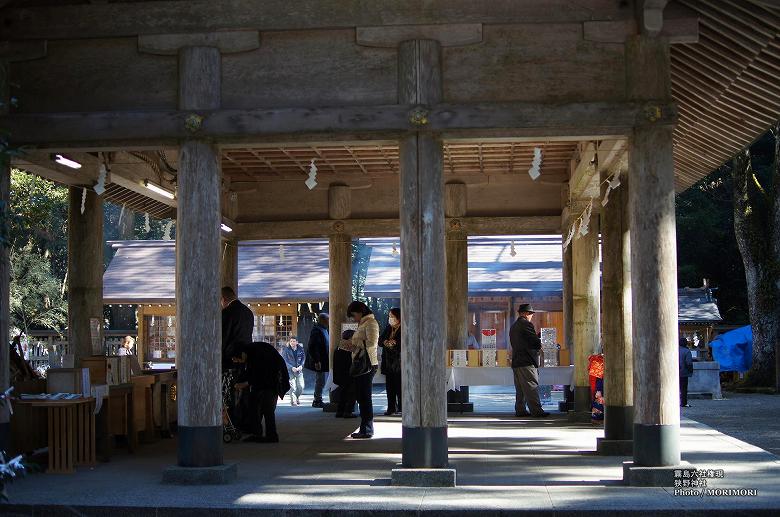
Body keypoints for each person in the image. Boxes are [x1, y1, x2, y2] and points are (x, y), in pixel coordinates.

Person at [233, 341, 290, 443]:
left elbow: (259, 373)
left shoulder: (257, 353)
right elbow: (251, 372)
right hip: (265, 382)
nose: (238, 362)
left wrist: (244, 384)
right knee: (254, 405)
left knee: (267, 409)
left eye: (238, 359)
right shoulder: (251, 352)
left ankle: (271, 436)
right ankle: (256, 433)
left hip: (271, 382)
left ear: (241, 354)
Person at [341, 301, 379, 439]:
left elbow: (372, 343)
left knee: (364, 397)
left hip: (367, 364)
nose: (353, 318)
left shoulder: (371, 323)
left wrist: (354, 342)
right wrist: (353, 347)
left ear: (360, 312)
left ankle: (367, 429)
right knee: (362, 397)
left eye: (353, 315)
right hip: (361, 362)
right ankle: (365, 428)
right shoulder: (363, 324)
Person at [509, 304, 549, 418]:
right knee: (532, 386)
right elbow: (534, 341)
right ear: (526, 313)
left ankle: (520, 409)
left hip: (516, 361)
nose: (532, 316)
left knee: (520, 388)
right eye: (531, 314)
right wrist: (539, 344)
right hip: (527, 360)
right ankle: (537, 411)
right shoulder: (526, 324)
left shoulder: (514, 326)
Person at [220, 286, 255, 372]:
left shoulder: (227, 312)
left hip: (230, 359)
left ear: (223, 299)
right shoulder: (248, 312)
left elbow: (224, 336)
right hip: (246, 356)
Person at [379, 307, 402, 415]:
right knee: (390, 386)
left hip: (400, 361)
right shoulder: (389, 327)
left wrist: (395, 343)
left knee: (400, 386)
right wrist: (386, 342)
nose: (390, 318)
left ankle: (402, 407)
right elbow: (380, 340)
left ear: (398, 317)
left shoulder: (403, 327)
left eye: (392, 316)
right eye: (389, 316)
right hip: (388, 362)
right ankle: (391, 407)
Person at [305, 313, 330, 408]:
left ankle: (318, 399)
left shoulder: (323, 329)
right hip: (319, 360)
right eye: (328, 319)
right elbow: (313, 346)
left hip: (322, 359)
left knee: (321, 380)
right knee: (320, 381)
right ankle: (317, 400)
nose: (329, 321)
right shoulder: (317, 330)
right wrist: (317, 360)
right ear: (323, 320)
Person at [333, 330, 358, 418]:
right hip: (348, 375)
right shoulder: (348, 347)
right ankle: (348, 412)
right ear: (350, 338)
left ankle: (340, 411)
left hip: (340, 375)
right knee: (351, 393)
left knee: (343, 394)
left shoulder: (339, 346)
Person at [283, 338, 306, 406]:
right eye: (291, 341)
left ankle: (297, 397)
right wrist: (291, 367)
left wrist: (301, 366)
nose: (292, 342)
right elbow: (284, 360)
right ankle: (293, 401)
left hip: (299, 370)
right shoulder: (286, 350)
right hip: (290, 370)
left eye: (294, 341)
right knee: (292, 387)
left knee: (301, 386)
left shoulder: (301, 349)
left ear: (297, 342)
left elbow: (303, 359)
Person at [679, 337, 694, 408]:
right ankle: (683, 403)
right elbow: (688, 363)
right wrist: (691, 370)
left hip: (674, 373)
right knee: (683, 389)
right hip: (683, 372)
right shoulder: (686, 351)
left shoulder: (674, 350)